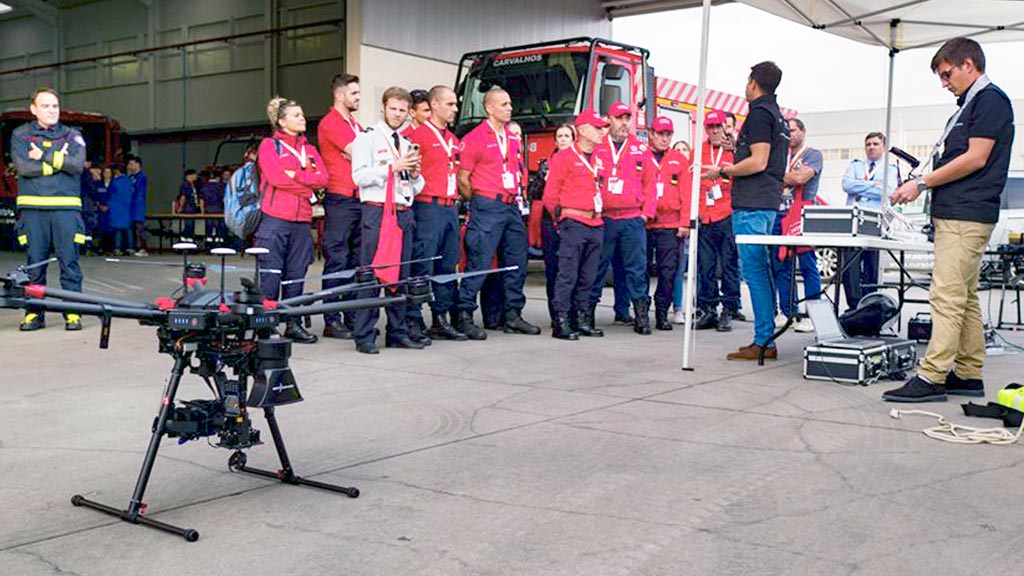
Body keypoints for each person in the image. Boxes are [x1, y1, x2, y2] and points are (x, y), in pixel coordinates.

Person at [883, 37, 1015, 402]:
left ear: (968, 65)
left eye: (946, 74)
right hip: (959, 214)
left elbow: (975, 158)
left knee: (945, 295)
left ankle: (931, 376)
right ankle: (969, 374)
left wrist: (921, 183)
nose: (944, 83)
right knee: (966, 296)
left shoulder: (990, 101)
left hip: (965, 215)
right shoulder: (971, 104)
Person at [704, 61, 789, 361]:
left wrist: (724, 171)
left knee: (754, 271)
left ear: (753, 82)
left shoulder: (759, 115)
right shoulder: (777, 116)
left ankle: (763, 339)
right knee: (760, 271)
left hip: (753, 204)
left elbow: (759, 161)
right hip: (765, 202)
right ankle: (765, 336)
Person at [455, 87, 540, 339]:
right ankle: (464, 314)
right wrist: (481, 201)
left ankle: (513, 314)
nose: (509, 108)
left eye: (510, 103)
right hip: (488, 206)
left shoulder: (513, 139)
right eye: (504, 104)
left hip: (511, 205)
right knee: (480, 262)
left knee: (516, 260)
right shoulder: (474, 138)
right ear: (489, 108)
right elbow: (463, 179)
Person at [351, 86, 426, 354]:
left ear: (408, 113)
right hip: (377, 211)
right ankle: (364, 335)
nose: (397, 114)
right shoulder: (366, 139)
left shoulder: (405, 144)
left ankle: (397, 331)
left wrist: (415, 174)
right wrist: (390, 168)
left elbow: (415, 187)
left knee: (402, 276)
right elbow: (358, 177)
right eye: (393, 108)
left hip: (404, 212)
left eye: (402, 110)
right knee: (372, 274)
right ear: (383, 108)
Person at [11, 88, 87, 331]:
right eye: (45, 106)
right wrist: (57, 163)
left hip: (65, 210)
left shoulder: (72, 135)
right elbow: (24, 167)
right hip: (33, 210)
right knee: (35, 264)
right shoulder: (20, 135)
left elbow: (76, 166)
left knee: (70, 263)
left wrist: (42, 155)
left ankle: (73, 312)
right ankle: (34, 313)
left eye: (54, 106)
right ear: (33, 109)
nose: (51, 110)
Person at [254, 96, 328, 344]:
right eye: (296, 115)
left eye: (302, 114)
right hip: (275, 220)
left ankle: (293, 324)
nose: (302, 118)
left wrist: (297, 175)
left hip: (302, 222)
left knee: (296, 274)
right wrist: (306, 187)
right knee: (271, 274)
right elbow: (276, 178)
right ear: (281, 121)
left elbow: (323, 179)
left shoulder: (310, 149)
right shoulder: (269, 146)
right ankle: (267, 325)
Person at [589, 101, 657, 335]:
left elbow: (650, 184)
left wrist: (646, 214)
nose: (624, 123)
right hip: (604, 219)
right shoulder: (598, 148)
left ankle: (641, 316)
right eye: (619, 118)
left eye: (628, 118)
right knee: (597, 267)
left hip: (631, 219)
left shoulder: (641, 149)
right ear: (609, 119)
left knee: (636, 269)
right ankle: (587, 315)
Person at [405, 85, 467, 342]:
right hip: (428, 206)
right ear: (435, 105)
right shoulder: (418, 135)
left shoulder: (452, 138)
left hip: (450, 206)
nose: (454, 109)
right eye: (450, 104)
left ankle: (440, 317)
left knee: (447, 262)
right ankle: (413, 318)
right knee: (423, 262)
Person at [543, 109, 608, 340]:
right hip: (574, 222)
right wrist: (561, 220)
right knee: (567, 273)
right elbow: (550, 195)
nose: (602, 131)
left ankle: (581, 319)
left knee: (588, 275)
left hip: (595, 222)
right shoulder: (564, 157)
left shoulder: (599, 158)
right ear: (582, 130)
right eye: (597, 127)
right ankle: (561, 321)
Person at [317, 73, 363, 339]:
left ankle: (351, 315)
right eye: (354, 93)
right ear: (340, 95)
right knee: (338, 259)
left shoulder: (354, 125)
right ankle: (332, 319)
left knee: (356, 260)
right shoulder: (331, 123)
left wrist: (360, 151)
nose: (358, 98)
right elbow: (362, 152)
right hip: (341, 198)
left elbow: (364, 152)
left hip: (358, 197)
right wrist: (359, 152)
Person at [772, 118, 823, 333]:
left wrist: (777, 177)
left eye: (793, 130)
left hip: (802, 213)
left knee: (807, 264)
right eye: (787, 131)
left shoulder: (813, 154)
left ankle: (812, 315)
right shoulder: (780, 153)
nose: (789, 135)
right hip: (778, 213)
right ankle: (787, 311)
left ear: (803, 131)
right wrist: (786, 177)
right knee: (780, 264)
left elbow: (801, 178)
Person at [693, 110, 742, 331]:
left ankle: (729, 308)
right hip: (705, 214)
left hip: (727, 213)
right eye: (710, 127)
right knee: (706, 265)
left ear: (724, 127)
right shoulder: (698, 151)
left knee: (729, 264)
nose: (714, 131)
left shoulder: (733, 150)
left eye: (717, 127)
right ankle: (708, 308)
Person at [644, 116, 691, 331]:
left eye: (668, 134)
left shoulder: (679, 160)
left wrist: (684, 223)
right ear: (651, 134)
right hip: (644, 224)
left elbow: (687, 193)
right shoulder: (640, 155)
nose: (664, 138)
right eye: (660, 134)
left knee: (668, 271)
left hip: (670, 225)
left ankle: (662, 312)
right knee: (639, 270)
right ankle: (641, 312)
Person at [840, 132, 897, 308]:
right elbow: (846, 185)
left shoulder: (891, 168)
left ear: (884, 147)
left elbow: (887, 192)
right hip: (854, 223)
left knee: (871, 267)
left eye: (875, 144)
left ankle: (869, 306)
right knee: (850, 268)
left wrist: (860, 187)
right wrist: (873, 185)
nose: (871, 147)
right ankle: (853, 307)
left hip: (874, 222)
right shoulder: (856, 165)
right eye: (868, 144)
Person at [537, 123, 577, 327]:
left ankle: (574, 313)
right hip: (550, 221)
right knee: (553, 268)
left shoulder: (582, 162)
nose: (562, 139)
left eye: (566, 136)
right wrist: (544, 179)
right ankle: (556, 316)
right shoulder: (545, 164)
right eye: (559, 136)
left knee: (572, 269)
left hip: (573, 221)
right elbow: (535, 194)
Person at [107, 166, 133, 255]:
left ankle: (117, 248)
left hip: (116, 207)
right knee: (128, 229)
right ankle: (130, 248)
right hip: (127, 207)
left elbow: (110, 192)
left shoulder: (115, 182)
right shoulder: (129, 181)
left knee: (117, 229)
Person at [127, 156, 148, 256]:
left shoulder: (141, 177)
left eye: (131, 164)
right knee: (131, 228)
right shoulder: (130, 178)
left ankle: (143, 248)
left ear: (137, 164)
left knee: (139, 228)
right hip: (129, 206)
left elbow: (139, 192)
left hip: (138, 206)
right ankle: (133, 247)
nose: (129, 166)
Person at [200, 168, 228, 245]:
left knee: (209, 229)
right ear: (218, 177)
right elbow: (224, 200)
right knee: (220, 229)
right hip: (220, 211)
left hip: (208, 211)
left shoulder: (204, 187)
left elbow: (202, 201)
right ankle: (220, 244)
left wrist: (202, 212)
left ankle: (208, 246)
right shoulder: (222, 186)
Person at [174, 168, 202, 242]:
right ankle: (185, 239)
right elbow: (183, 196)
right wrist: (180, 207)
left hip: (193, 208)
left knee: (191, 225)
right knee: (188, 225)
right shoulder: (186, 185)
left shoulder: (193, 185)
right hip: (188, 209)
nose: (196, 176)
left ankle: (189, 240)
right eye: (195, 175)